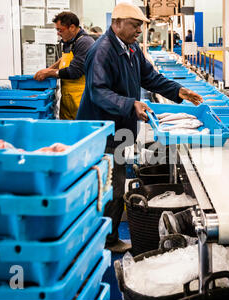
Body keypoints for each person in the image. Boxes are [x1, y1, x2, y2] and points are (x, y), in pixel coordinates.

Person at [76, 2, 203, 253]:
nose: (138, 31)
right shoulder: (102, 50)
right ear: (117, 23)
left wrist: (178, 90)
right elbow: (98, 92)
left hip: (120, 128)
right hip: (104, 132)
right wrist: (130, 104)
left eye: (140, 27)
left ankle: (104, 237)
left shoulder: (130, 47)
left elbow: (150, 77)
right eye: (135, 26)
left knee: (115, 183)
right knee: (110, 188)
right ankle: (105, 241)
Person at [34, 12, 94, 120]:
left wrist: (49, 73)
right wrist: (50, 68)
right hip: (68, 101)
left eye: (60, 30)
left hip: (81, 102)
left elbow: (74, 71)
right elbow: (65, 60)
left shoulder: (84, 43)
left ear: (72, 27)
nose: (58, 33)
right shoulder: (69, 41)